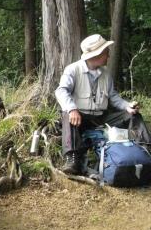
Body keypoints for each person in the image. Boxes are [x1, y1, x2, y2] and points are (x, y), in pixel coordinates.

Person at [55, 34, 151, 175]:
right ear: (97, 55)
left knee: (133, 116)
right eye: (106, 52)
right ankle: (72, 159)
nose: (108, 56)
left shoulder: (105, 73)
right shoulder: (73, 70)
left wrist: (127, 106)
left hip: (102, 117)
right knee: (67, 115)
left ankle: (146, 150)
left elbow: (113, 97)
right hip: (80, 118)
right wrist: (72, 109)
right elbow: (61, 91)